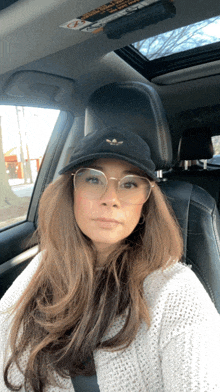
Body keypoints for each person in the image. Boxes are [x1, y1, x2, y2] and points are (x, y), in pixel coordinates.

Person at [1, 127, 220, 392]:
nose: (111, 199)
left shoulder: (175, 291)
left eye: (129, 184)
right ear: (70, 192)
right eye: (93, 180)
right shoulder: (43, 264)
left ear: (146, 204)